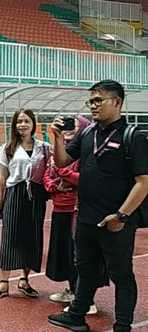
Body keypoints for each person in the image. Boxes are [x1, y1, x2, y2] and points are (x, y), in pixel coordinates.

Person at [48, 80, 148, 332]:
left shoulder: (132, 136)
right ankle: (76, 316)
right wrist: (57, 138)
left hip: (116, 222)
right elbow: (62, 161)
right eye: (90, 101)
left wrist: (121, 215)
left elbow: (143, 182)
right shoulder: (88, 133)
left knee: (120, 274)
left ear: (117, 102)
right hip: (86, 218)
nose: (93, 105)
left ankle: (123, 326)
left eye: (98, 100)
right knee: (85, 268)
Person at [0, 108, 50, 300]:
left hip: (36, 195)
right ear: (14, 125)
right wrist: (0, 198)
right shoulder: (7, 148)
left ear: (33, 124)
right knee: (10, 236)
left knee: (33, 236)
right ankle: (3, 282)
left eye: (26, 121)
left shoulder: (45, 147)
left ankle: (24, 279)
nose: (22, 125)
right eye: (19, 122)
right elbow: (2, 176)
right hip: (15, 193)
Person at [45, 115, 102, 314]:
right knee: (67, 255)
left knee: (82, 256)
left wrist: (64, 173)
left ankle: (87, 300)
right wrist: (55, 186)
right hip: (60, 210)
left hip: (78, 211)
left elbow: (85, 179)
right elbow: (48, 174)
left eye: (75, 126)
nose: (69, 128)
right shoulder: (59, 150)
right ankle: (72, 290)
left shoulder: (86, 150)